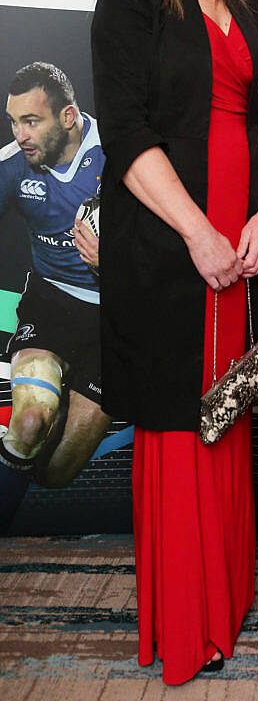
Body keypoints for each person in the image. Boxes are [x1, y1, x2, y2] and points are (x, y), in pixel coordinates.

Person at [91, 0, 258, 684]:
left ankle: (226, 603)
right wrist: (200, 230)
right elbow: (126, 135)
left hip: (241, 255)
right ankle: (183, 623)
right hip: (171, 250)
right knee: (178, 429)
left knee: (229, 418)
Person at [0, 62, 106, 529]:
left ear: (67, 117)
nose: (21, 134)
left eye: (31, 121)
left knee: (57, 472)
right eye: (13, 121)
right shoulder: (10, 166)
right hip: (53, 305)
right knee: (28, 422)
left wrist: (115, 262)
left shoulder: (120, 152)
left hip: (119, 319)